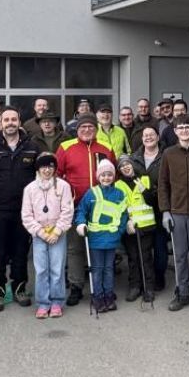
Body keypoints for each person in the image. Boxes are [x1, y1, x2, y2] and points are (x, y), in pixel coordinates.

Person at [0, 107, 40, 311]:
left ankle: (20, 288)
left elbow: (42, 178)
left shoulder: (32, 147)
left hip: (24, 211)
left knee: (21, 251)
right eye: (6, 120)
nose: (10, 123)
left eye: (14, 119)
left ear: (19, 122)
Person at [55, 115, 115, 306]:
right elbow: (56, 174)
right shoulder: (66, 147)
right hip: (75, 206)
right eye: (83, 127)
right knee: (75, 248)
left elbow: (115, 175)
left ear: (96, 129)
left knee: (99, 246)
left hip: (102, 207)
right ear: (77, 129)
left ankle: (101, 287)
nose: (87, 130)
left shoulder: (105, 147)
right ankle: (76, 286)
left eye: (91, 126)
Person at [159, 114, 189, 312]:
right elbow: (163, 184)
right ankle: (182, 293)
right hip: (177, 211)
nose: (185, 131)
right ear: (175, 131)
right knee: (180, 255)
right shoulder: (168, 154)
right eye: (181, 128)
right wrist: (165, 211)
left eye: (188, 127)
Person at [22, 152, 74, 319]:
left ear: (54, 169)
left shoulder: (63, 186)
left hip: (58, 233)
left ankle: (57, 302)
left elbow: (67, 211)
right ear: (38, 169)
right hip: (39, 234)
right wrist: (41, 232)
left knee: (57, 268)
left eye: (50, 167)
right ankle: (43, 303)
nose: (47, 170)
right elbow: (26, 215)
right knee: (41, 269)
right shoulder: (29, 189)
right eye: (43, 167)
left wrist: (58, 231)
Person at [75, 160, 129, 313]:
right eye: (103, 175)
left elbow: (124, 214)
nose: (106, 178)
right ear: (98, 176)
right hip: (95, 239)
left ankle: (109, 295)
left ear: (114, 176)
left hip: (112, 239)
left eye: (110, 174)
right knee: (97, 269)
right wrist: (80, 224)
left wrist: (120, 231)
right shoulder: (91, 193)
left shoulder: (119, 194)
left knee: (108, 268)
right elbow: (81, 211)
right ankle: (98, 296)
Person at [117, 155, 157, 303]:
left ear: (133, 165)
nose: (125, 167)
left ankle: (149, 288)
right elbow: (119, 208)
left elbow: (154, 201)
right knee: (133, 258)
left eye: (127, 164)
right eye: (122, 166)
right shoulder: (118, 185)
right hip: (130, 228)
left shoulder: (144, 179)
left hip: (146, 226)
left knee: (145, 257)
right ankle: (135, 286)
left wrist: (145, 190)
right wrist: (127, 222)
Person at [135, 126, 168, 291]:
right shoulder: (135, 158)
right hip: (141, 211)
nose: (148, 138)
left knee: (160, 247)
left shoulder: (166, 156)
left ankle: (159, 276)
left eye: (151, 135)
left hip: (160, 207)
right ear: (142, 139)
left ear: (157, 137)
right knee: (145, 248)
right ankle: (146, 279)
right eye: (145, 135)